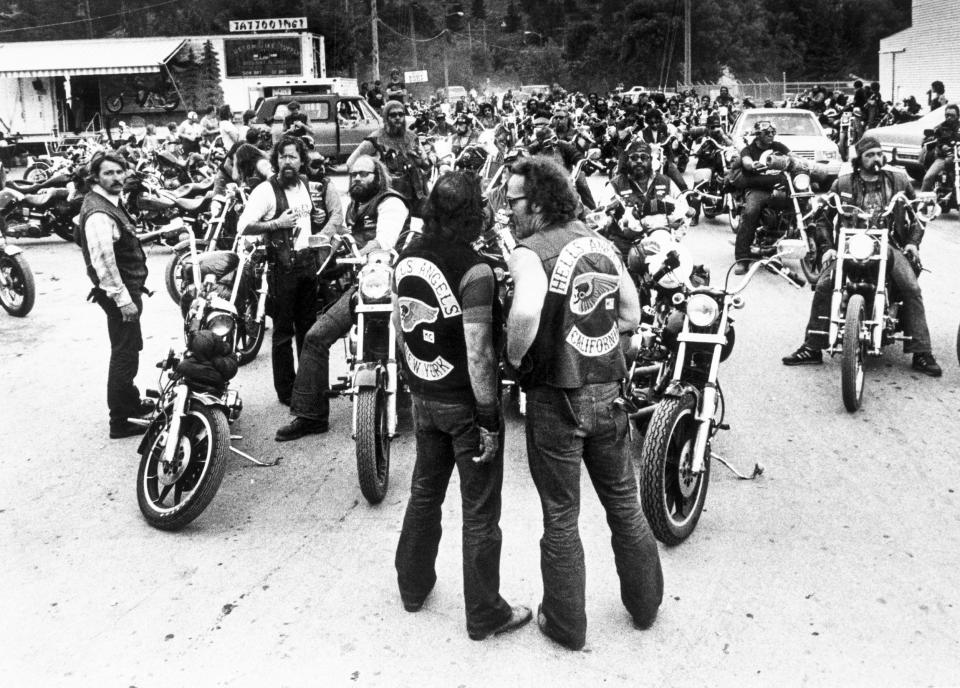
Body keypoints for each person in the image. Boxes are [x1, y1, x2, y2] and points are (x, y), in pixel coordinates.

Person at [503, 156, 664, 651]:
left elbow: (527, 308)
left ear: (538, 202)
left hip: (556, 398)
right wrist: (598, 337)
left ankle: (567, 623)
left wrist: (514, 357)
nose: (507, 210)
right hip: (608, 393)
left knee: (560, 514)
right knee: (623, 502)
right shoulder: (601, 245)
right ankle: (646, 604)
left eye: (513, 201)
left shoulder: (529, 252)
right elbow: (633, 313)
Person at [393, 170, 531, 640]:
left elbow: (400, 325)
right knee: (479, 511)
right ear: (474, 214)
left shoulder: (406, 259)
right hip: (463, 405)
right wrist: (490, 417)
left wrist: (417, 382)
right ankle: (485, 613)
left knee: (424, 494)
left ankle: (412, 588)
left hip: (424, 396)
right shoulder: (475, 271)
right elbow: (478, 351)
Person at [781, 137, 942, 376]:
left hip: (889, 244)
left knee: (910, 287)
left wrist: (912, 243)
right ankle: (812, 346)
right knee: (825, 285)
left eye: (878, 153)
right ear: (859, 159)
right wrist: (827, 248)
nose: (876, 158)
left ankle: (922, 352)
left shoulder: (898, 181)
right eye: (870, 155)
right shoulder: (843, 183)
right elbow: (823, 217)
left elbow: (918, 212)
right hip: (850, 246)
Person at [275, 155, 408, 440]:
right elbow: (343, 237)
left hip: (394, 285)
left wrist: (359, 256)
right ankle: (310, 415)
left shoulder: (391, 203)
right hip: (365, 285)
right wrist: (326, 257)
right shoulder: (355, 206)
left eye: (363, 174)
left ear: (378, 176)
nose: (357, 179)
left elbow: (383, 242)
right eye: (353, 174)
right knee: (315, 336)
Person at [237, 137, 340, 405]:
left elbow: (308, 218)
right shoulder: (265, 191)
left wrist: (317, 219)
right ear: (276, 160)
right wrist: (275, 223)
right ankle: (286, 391)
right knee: (283, 333)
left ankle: (308, 385)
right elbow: (243, 226)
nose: (287, 162)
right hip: (282, 268)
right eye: (282, 157)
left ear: (301, 161)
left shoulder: (304, 184)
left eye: (293, 157)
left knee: (309, 330)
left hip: (307, 265)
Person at [76, 152, 153, 439]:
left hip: (125, 289)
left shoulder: (109, 203)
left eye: (120, 172)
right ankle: (119, 420)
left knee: (129, 347)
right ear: (95, 177)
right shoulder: (99, 212)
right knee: (124, 353)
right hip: (120, 292)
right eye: (109, 173)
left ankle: (130, 402)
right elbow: (104, 263)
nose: (117, 178)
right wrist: (123, 300)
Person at [606, 140, 688, 257]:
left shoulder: (665, 181)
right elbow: (604, 216)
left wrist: (676, 237)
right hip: (627, 246)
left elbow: (684, 209)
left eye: (644, 157)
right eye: (634, 157)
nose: (639, 161)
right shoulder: (615, 184)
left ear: (650, 160)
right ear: (627, 161)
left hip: (660, 242)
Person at [347, 100, 430, 214]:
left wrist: (423, 158)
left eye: (401, 114)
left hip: (415, 194)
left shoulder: (411, 137)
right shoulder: (376, 138)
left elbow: (426, 164)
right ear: (386, 117)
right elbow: (351, 163)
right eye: (393, 115)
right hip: (387, 197)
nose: (397, 118)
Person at [733, 120, 791, 274]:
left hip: (780, 188)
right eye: (767, 133)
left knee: (802, 204)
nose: (771, 135)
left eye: (773, 132)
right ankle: (742, 259)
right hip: (757, 189)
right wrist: (752, 165)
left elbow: (792, 156)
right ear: (758, 135)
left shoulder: (777, 147)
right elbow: (746, 161)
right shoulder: (749, 150)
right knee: (751, 212)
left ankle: (782, 247)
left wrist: (806, 164)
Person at [920, 104, 959, 192]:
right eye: (947, 115)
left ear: (957, 116)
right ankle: (921, 201)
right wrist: (942, 146)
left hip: (958, 157)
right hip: (943, 158)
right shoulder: (940, 128)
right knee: (928, 177)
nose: (949, 117)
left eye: (952, 116)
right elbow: (936, 140)